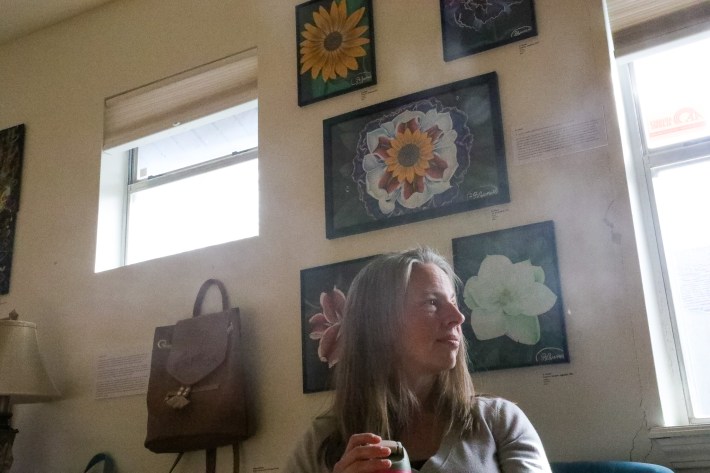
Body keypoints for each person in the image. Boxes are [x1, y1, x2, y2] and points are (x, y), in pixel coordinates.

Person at [285, 247, 551, 472]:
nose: (458, 317)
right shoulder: (319, 443)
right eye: (432, 303)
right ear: (380, 325)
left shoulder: (500, 421)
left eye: (453, 302)